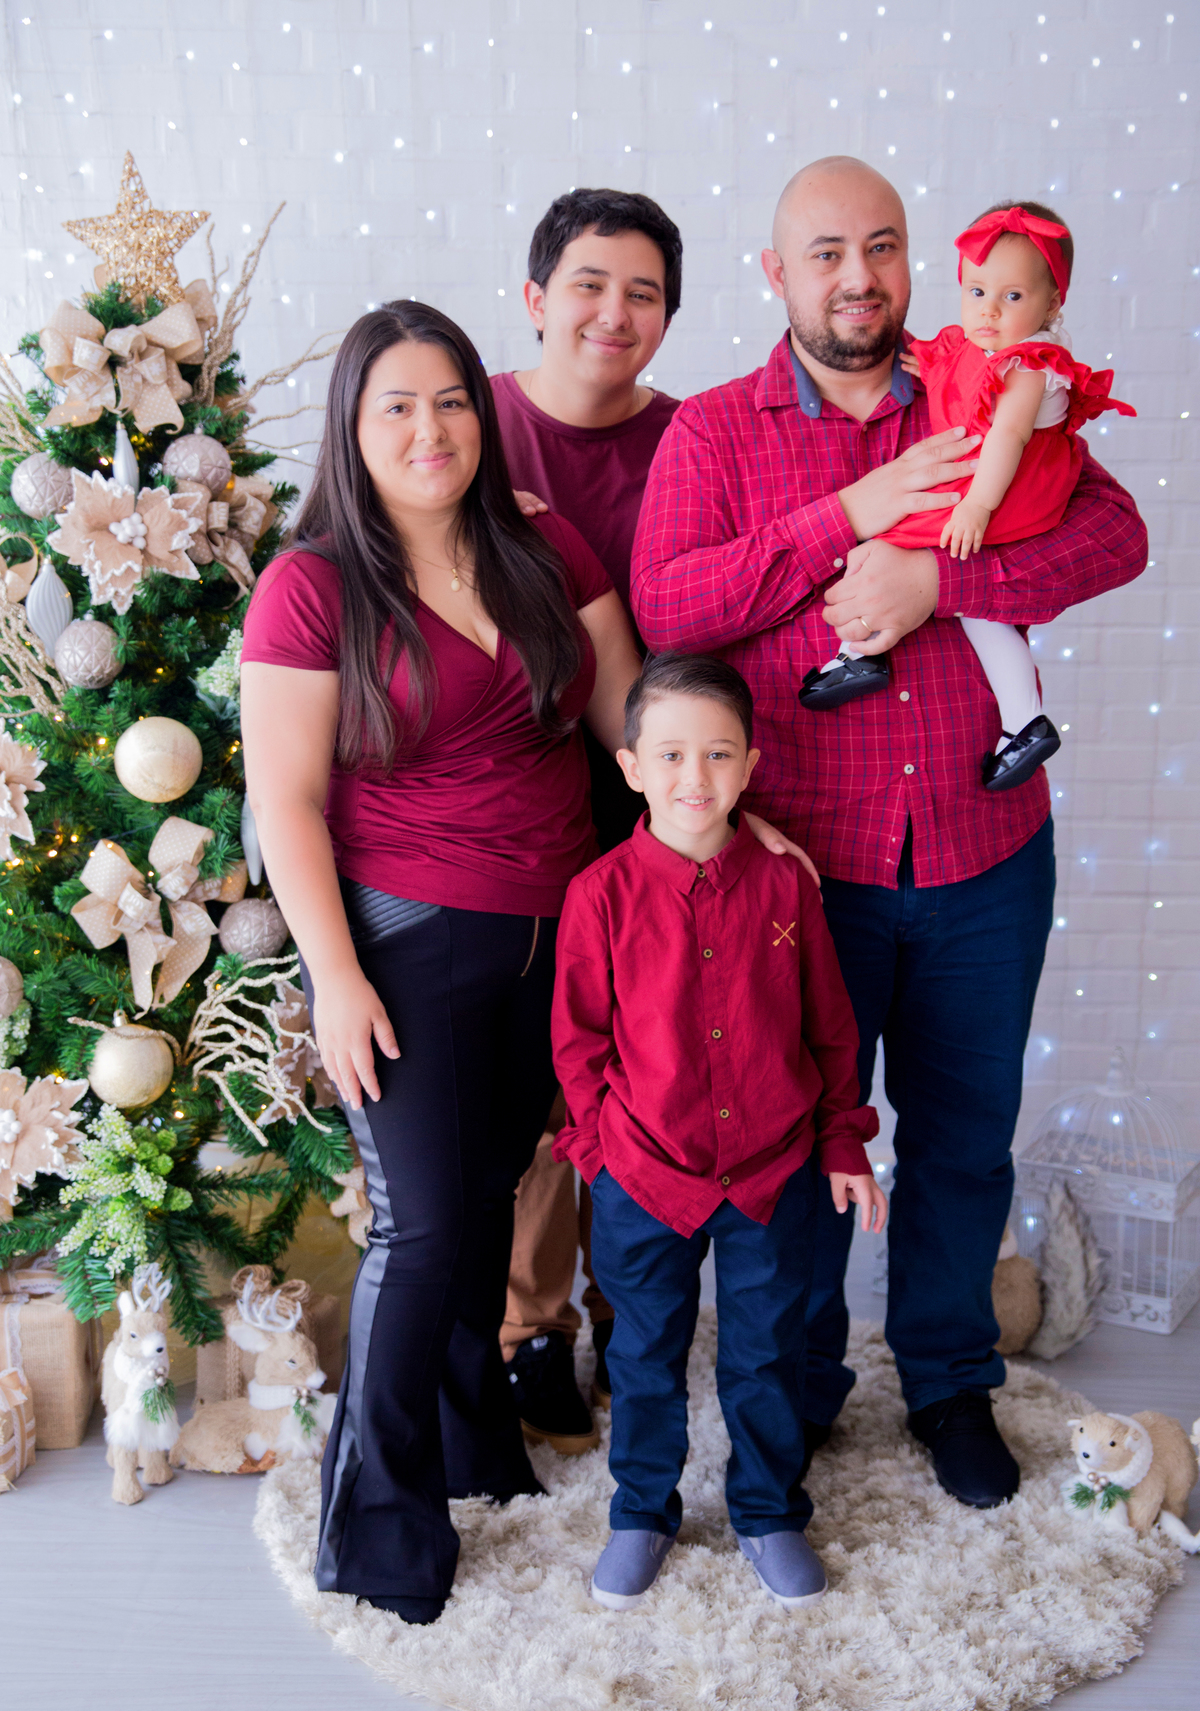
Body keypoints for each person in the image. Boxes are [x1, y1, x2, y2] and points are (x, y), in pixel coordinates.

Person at [632, 157, 1148, 1513]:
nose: (857, 277)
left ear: (914, 261)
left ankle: (948, 1377)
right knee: (804, 1148)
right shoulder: (718, 433)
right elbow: (672, 609)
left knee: (967, 1135)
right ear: (775, 275)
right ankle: (794, 1385)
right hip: (809, 872)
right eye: (825, 254)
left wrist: (941, 575)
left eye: (883, 248)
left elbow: (1117, 538)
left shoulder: (985, 385)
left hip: (986, 846)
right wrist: (844, 521)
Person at [239, 299, 644, 1625]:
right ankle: (375, 1527)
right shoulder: (314, 587)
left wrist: (724, 813)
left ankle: (476, 1446)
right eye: (396, 406)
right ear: (354, 432)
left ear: (485, 408)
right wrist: (338, 978)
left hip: (553, 936)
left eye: (452, 399)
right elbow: (284, 803)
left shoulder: (541, 548)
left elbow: (627, 719)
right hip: (403, 945)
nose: (430, 428)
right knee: (419, 1232)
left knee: (481, 1211)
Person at [493, 188, 817, 1456]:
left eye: (643, 294)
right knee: (547, 1085)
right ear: (535, 298)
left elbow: (735, 634)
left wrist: (738, 812)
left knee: (677, 1065)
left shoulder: (695, 439)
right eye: (588, 284)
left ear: (672, 317)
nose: (613, 313)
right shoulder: (471, 428)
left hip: (669, 810)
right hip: (521, 807)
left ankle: (658, 1335)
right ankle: (532, 1335)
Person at [552, 653, 885, 1611]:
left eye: (718, 756)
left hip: (772, 1175)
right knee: (643, 1352)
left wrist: (844, 1142)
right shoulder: (600, 895)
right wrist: (598, 1155)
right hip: (643, 1176)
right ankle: (641, 1512)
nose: (694, 779)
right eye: (672, 756)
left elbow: (829, 1026)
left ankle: (770, 1510)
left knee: (766, 1352)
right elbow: (576, 1043)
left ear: (748, 768)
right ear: (632, 768)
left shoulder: (787, 889)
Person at [800, 200, 1135, 795]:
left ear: (1051, 304)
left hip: (1004, 493)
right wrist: (929, 364)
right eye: (976, 291)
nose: (989, 311)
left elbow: (1005, 434)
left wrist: (976, 507)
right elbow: (965, 379)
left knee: (881, 541)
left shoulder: (1031, 364)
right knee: (984, 611)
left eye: (1012, 298)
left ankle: (860, 651)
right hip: (1000, 486)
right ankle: (1023, 723)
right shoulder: (988, 352)